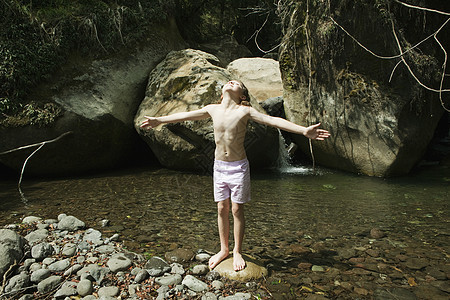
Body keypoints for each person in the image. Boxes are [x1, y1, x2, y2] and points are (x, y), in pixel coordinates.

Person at [140, 80, 330, 271]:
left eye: (236, 83)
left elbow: (274, 121)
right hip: (219, 166)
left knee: (237, 210)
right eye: (228, 82)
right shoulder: (212, 109)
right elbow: (184, 115)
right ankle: (224, 250)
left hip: (238, 167)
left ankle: (237, 251)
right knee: (222, 208)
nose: (231, 82)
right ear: (222, 94)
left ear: (242, 96)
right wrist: (160, 120)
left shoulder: (244, 111)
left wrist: (303, 131)